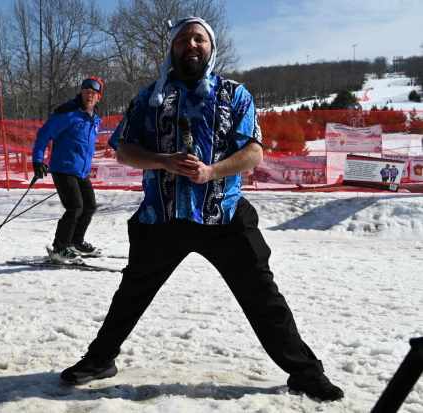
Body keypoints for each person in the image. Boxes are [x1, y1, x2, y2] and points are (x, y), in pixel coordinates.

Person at [60, 17, 344, 402]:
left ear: (210, 48)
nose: (191, 45)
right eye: (182, 40)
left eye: (199, 39)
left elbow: (253, 152)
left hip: (223, 215)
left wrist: (211, 171)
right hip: (162, 216)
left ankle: (306, 373)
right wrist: (163, 161)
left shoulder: (235, 94)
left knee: (262, 295)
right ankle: (99, 359)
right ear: (172, 49)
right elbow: (124, 149)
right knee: (131, 293)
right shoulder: (149, 97)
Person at [32, 77, 104, 263]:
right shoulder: (68, 113)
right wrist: (38, 160)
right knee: (75, 207)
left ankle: (75, 242)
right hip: (63, 168)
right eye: (86, 91)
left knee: (89, 206)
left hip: (81, 171)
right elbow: (44, 134)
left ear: (99, 97)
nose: (89, 95)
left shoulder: (95, 119)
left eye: (93, 93)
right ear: (81, 93)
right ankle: (60, 247)